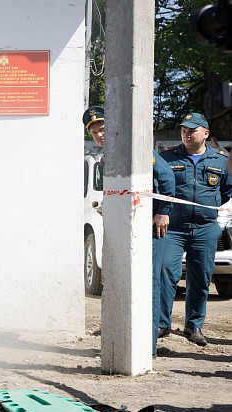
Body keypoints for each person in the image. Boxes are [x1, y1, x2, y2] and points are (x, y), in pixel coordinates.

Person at [82, 106, 175, 356]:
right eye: (94, 132)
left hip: (150, 227)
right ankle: (128, 342)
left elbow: (166, 177)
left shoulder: (136, 149)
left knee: (149, 283)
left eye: (102, 129)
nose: (100, 135)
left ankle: (149, 346)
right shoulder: (107, 155)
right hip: (126, 227)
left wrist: (162, 211)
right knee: (126, 282)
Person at [158, 113, 232, 346]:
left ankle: (194, 325)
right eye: (184, 130)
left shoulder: (220, 160)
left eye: (192, 130)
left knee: (200, 278)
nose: (187, 134)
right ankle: (162, 323)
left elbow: (227, 191)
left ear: (206, 134)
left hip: (205, 228)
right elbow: (157, 187)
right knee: (166, 272)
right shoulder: (167, 157)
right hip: (173, 228)